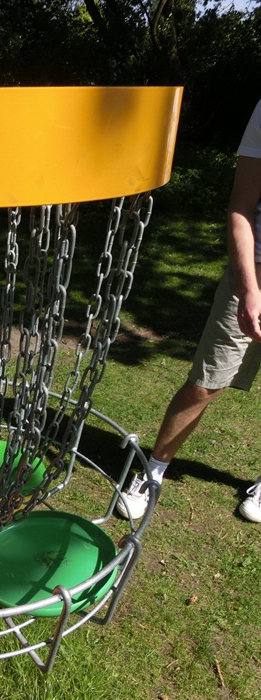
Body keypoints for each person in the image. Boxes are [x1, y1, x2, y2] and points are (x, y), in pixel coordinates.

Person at [118, 98, 261, 524]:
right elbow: (241, 205)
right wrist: (249, 288)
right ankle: (153, 470)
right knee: (206, 382)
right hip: (255, 270)